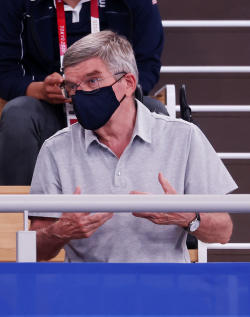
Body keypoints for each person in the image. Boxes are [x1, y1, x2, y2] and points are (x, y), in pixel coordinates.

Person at [28, 31, 236, 263]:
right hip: (87, 292)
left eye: (92, 80)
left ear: (128, 83)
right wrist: (60, 231)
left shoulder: (184, 137)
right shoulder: (55, 149)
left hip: (165, 291)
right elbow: (36, 251)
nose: (81, 94)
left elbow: (223, 231)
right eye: (72, 87)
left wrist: (186, 216)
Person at [0, 0, 167, 185]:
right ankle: (19, 215)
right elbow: (2, 72)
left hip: (114, 104)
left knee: (154, 111)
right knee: (18, 115)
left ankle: (160, 204)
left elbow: (146, 67)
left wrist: (106, 91)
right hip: (49, 108)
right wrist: (39, 89)